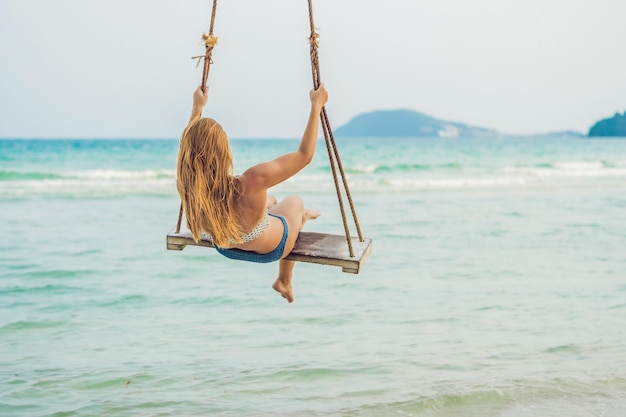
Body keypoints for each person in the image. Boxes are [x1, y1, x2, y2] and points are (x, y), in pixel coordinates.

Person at [176, 83, 329, 303]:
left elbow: (188, 146)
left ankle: (275, 211)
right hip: (272, 248)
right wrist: (316, 106)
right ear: (223, 150)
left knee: (270, 200)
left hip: (225, 246)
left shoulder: (188, 183)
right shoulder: (253, 180)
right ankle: (284, 279)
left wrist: (196, 108)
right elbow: (304, 155)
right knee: (294, 201)